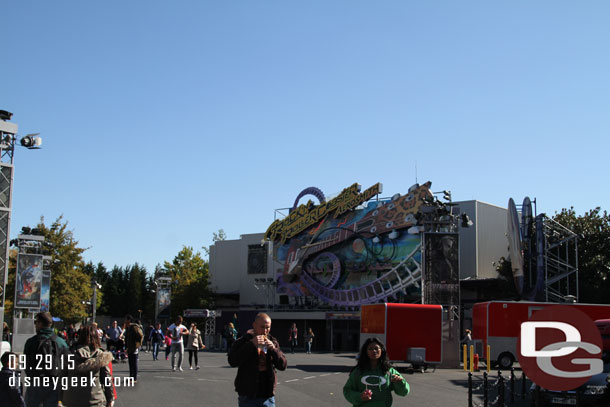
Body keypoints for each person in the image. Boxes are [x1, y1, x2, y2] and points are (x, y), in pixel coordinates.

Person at [228, 313, 287, 407]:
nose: (265, 331)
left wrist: (274, 350)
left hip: (267, 396)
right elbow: (233, 361)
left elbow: (283, 365)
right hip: (247, 396)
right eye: (262, 327)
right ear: (254, 325)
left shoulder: (273, 341)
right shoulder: (243, 341)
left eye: (268, 327)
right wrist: (251, 344)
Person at [343, 338, 409, 406]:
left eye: (376, 348)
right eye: (370, 349)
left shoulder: (389, 371)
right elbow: (347, 391)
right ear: (366, 352)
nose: (374, 351)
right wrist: (360, 397)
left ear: (382, 350)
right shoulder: (358, 372)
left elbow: (403, 392)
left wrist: (400, 382)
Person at [23, 312, 69, 407]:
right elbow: (67, 363)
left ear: (40, 324)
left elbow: (25, 363)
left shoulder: (31, 342)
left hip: (35, 384)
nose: (35, 325)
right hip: (53, 384)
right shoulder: (60, 342)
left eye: (36, 322)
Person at [62, 325, 115, 407]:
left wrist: (60, 397)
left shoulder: (69, 354)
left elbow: (62, 377)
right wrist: (110, 398)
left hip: (71, 400)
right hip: (95, 400)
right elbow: (107, 379)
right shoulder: (101, 356)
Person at [123, 314, 143, 383]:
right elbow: (127, 338)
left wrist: (137, 344)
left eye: (126, 319)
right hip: (129, 348)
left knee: (134, 363)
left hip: (134, 348)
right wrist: (126, 347)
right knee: (130, 363)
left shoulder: (134, 327)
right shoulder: (128, 328)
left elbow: (140, 336)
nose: (125, 321)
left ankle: (134, 378)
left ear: (129, 320)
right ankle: (131, 377)